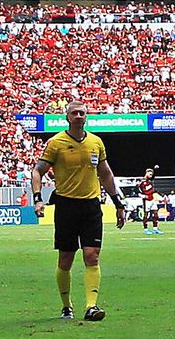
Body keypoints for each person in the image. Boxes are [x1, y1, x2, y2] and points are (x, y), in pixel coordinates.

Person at [31, 101, 127, 321]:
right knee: (65, 259)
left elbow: (105, 174)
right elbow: (38, 171)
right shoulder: (56, 143)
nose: (78, 116)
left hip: (91, 206)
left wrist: (118, 203)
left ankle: (91, 306)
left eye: (82, 113)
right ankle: (66, 306)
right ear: (67, 117)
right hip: (66, 205)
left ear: (87, 117)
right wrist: (38, 199)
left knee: (92, 256)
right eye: (74, 113)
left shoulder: (96, 142)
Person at [139, 167, 162, 234]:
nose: (151, 175)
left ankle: (155, 228)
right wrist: (143, 196)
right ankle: (145, 229)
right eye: (150, 174)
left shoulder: (149, 181)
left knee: (155, 213)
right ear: (146, 173)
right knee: (146, 214)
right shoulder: (142, 182)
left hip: (152, 199)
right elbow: (137, 190)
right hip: (146, 200)